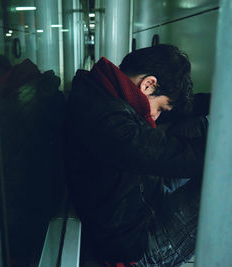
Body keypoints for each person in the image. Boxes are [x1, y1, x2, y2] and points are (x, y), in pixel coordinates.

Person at [65, 44, 209, 266]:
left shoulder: (104, 91)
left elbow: (176, 111)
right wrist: (221, 156)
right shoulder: (104, 118)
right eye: (160, 108)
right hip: (135, 246)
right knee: (230, 168)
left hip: (141, 203)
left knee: (200, 125)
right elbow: (148, 151)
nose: (156, 116)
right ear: (148, 84)